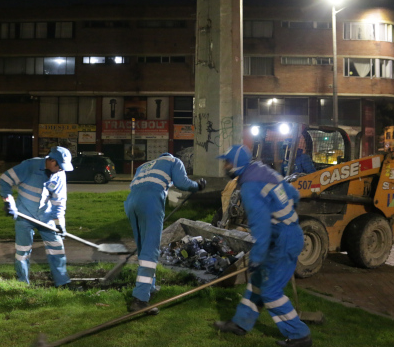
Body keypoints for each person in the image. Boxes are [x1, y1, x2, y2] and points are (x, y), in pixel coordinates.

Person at [214, 145, 312, 347]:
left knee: (270, 292)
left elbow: (261, 226)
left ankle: (300, 335)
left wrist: (257, 258)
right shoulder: (262, 171)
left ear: (237, 164)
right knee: (257, 281)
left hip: (283, 239)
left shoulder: (250, 186)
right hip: (286, 233)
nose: (225, 166)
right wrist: (286, 215)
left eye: (227, 162)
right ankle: (241, 324)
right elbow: (293, 195)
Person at [124, 152, 206, 314]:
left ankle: (149, 285)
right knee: (151, 250)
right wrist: (198, 186)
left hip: (131, 202)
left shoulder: (144, 165)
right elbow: (182, 183)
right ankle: (140, 299)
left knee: (142, 247)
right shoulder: (173, 161)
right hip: (151, 200)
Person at [0, 146, 73, 288]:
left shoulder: (60, 175)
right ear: (51, 161)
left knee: (57, 248)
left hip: (46, 217)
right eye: (60, 166)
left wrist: (59, 223)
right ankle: (23, 284)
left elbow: (59, 201)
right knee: (22, 251)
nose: (62, 170)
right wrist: (9, 203)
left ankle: (62, 282)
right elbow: (4, 180)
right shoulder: (29, 166)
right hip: (24, 216)